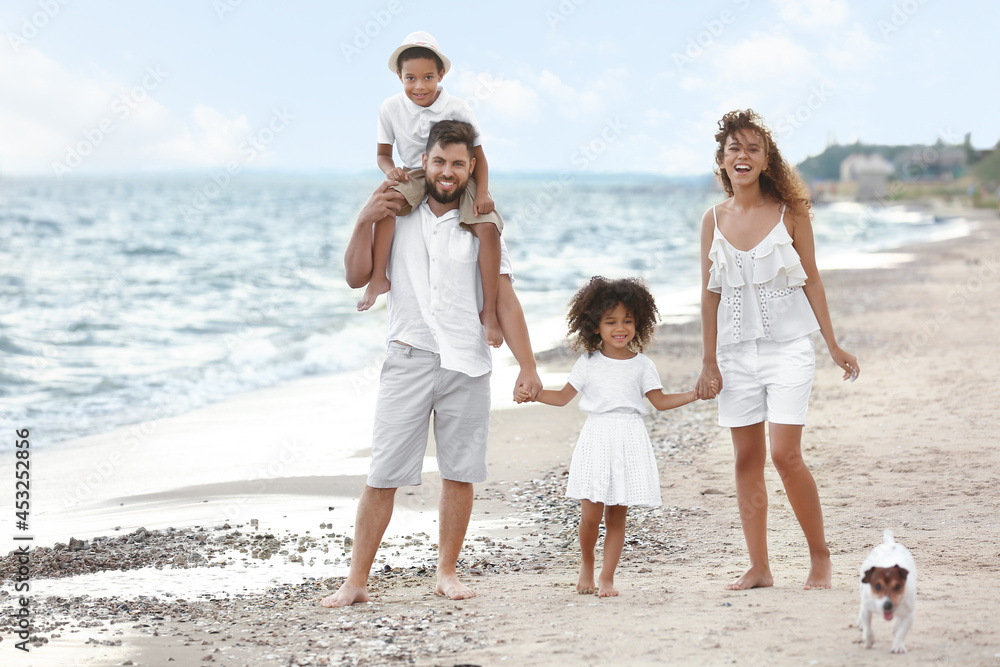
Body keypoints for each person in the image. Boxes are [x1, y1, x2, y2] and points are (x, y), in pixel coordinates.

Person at [321, 120, 540, 608]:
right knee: (383, 473)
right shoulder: (398, 213)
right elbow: (357, 277)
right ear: (425, 161)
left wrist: (528, 366)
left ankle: (446, 573)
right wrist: (362, 218)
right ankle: (356, 580)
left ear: (471, 168)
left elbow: (505, 299)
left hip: (468, 362)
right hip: (409, 354)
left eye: (458, 163)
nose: (447, 171)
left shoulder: (482, 226)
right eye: (439, 161)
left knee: (460, 473)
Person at [695, 109, 859, 591]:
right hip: (734, 354)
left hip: (789, 349)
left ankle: (820, 556)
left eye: (752, 149)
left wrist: (832, 343)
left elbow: (811, 278)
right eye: (734, 150)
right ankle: (761, 567)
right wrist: (708, 360)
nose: (742, 157)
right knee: (746, 458)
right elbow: (710, 293)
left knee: (785, 454)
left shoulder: (792, 212)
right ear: (722, 162)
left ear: (766, 161)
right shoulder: (712, 220)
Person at [517, 276, 714, 597]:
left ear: (639, 323)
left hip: (629, 438)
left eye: (627, 320)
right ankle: (586, 565)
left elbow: (661, 401)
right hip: (597, 436)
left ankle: (607, 578)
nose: (619, 328)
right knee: (591, 515)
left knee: (617, 515)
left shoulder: (643, 365)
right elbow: (563, 397)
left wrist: (695, 394)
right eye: (610, 321)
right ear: (595, 326)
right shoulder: (588, 362)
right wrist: (532, 395)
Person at [358, 30, 505, 351]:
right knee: (388, 203)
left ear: (441, 74)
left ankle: (490, 312)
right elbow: (383, 154)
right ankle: (377, 278)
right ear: (399, 76)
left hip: (455, 172)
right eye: (410, 78)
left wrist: (482, 193)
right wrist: (390, 170)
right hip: (415, 172)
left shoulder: (459, 107)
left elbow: (478, 157)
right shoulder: (390, 108)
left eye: (427, 77)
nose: (419, 86)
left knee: (489, 227)